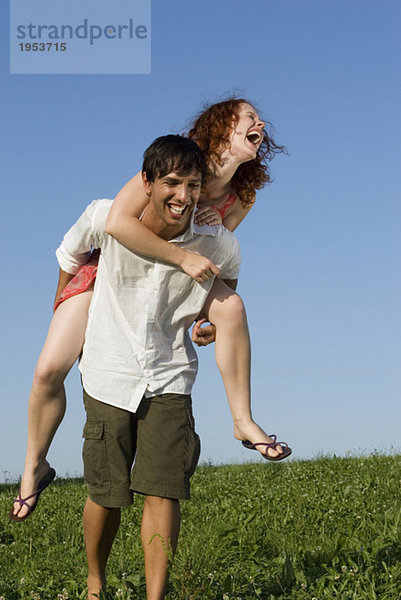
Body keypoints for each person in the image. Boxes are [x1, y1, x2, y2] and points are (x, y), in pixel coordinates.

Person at [10, 97, 290, 523]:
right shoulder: (175, 159)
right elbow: (117, 224)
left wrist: (202, 319)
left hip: (163, 282)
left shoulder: (241, 196)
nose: (261, 123)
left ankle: (243, 421)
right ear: (223, 125)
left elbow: (213, 254)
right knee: (48, 370)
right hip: (111, 266)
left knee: (231, 307)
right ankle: (34, 466)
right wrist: (64, 300)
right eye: (250, 117)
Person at [59, 135, 242, 599]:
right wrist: (65, 319)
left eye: (194, 185)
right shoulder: (105, 218)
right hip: (107, 371)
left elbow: (219, 302)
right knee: (107, 493)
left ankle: (154, 597)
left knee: (164, 490)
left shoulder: (216, 242)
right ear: (147, 182)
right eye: (173, 183)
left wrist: (206, 325)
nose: (183, 195)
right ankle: (95, 583)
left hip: (170, 373)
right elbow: (67, 258)